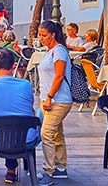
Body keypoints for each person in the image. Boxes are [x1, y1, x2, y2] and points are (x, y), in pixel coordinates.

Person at [0, 48, 40, 184]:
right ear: (14, 66)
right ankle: (12, 169)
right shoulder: (26, 85)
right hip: (25, 140)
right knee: (15, 123)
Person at [37, 20, 73, 184]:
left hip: (58, 100)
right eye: (40, 35)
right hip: (49, 99)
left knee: (47, 134)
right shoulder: (50, 50)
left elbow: (59, 76)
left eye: (44, 35)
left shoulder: (59, 51)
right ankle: (60, 167)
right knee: (56, 134)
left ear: (53, 34)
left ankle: (49, 171)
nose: (41, 38)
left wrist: (50, 96)